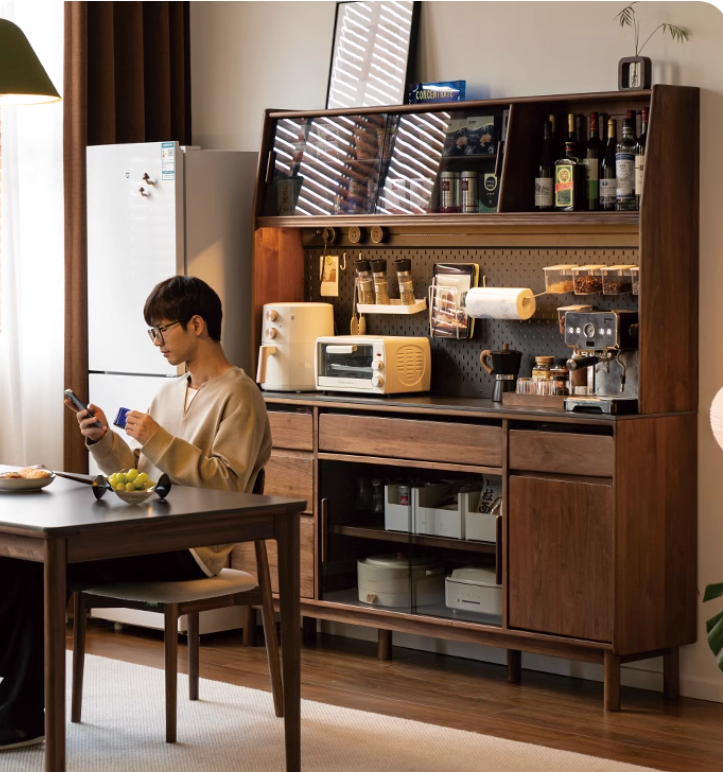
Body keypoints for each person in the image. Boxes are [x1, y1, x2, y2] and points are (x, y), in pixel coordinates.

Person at [0, 276, 272, 750]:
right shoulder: (169, 393)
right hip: (144, 532)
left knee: (39, 568)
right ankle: (18, 708)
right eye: (152, 332)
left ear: (197, 325)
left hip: (191, 546)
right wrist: (101, 439)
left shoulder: (240, 395)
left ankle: (23, 716)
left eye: (161, 330)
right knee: (19, 562)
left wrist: (157, 439)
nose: (157, 342)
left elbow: (229, 486)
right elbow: (139, 478)